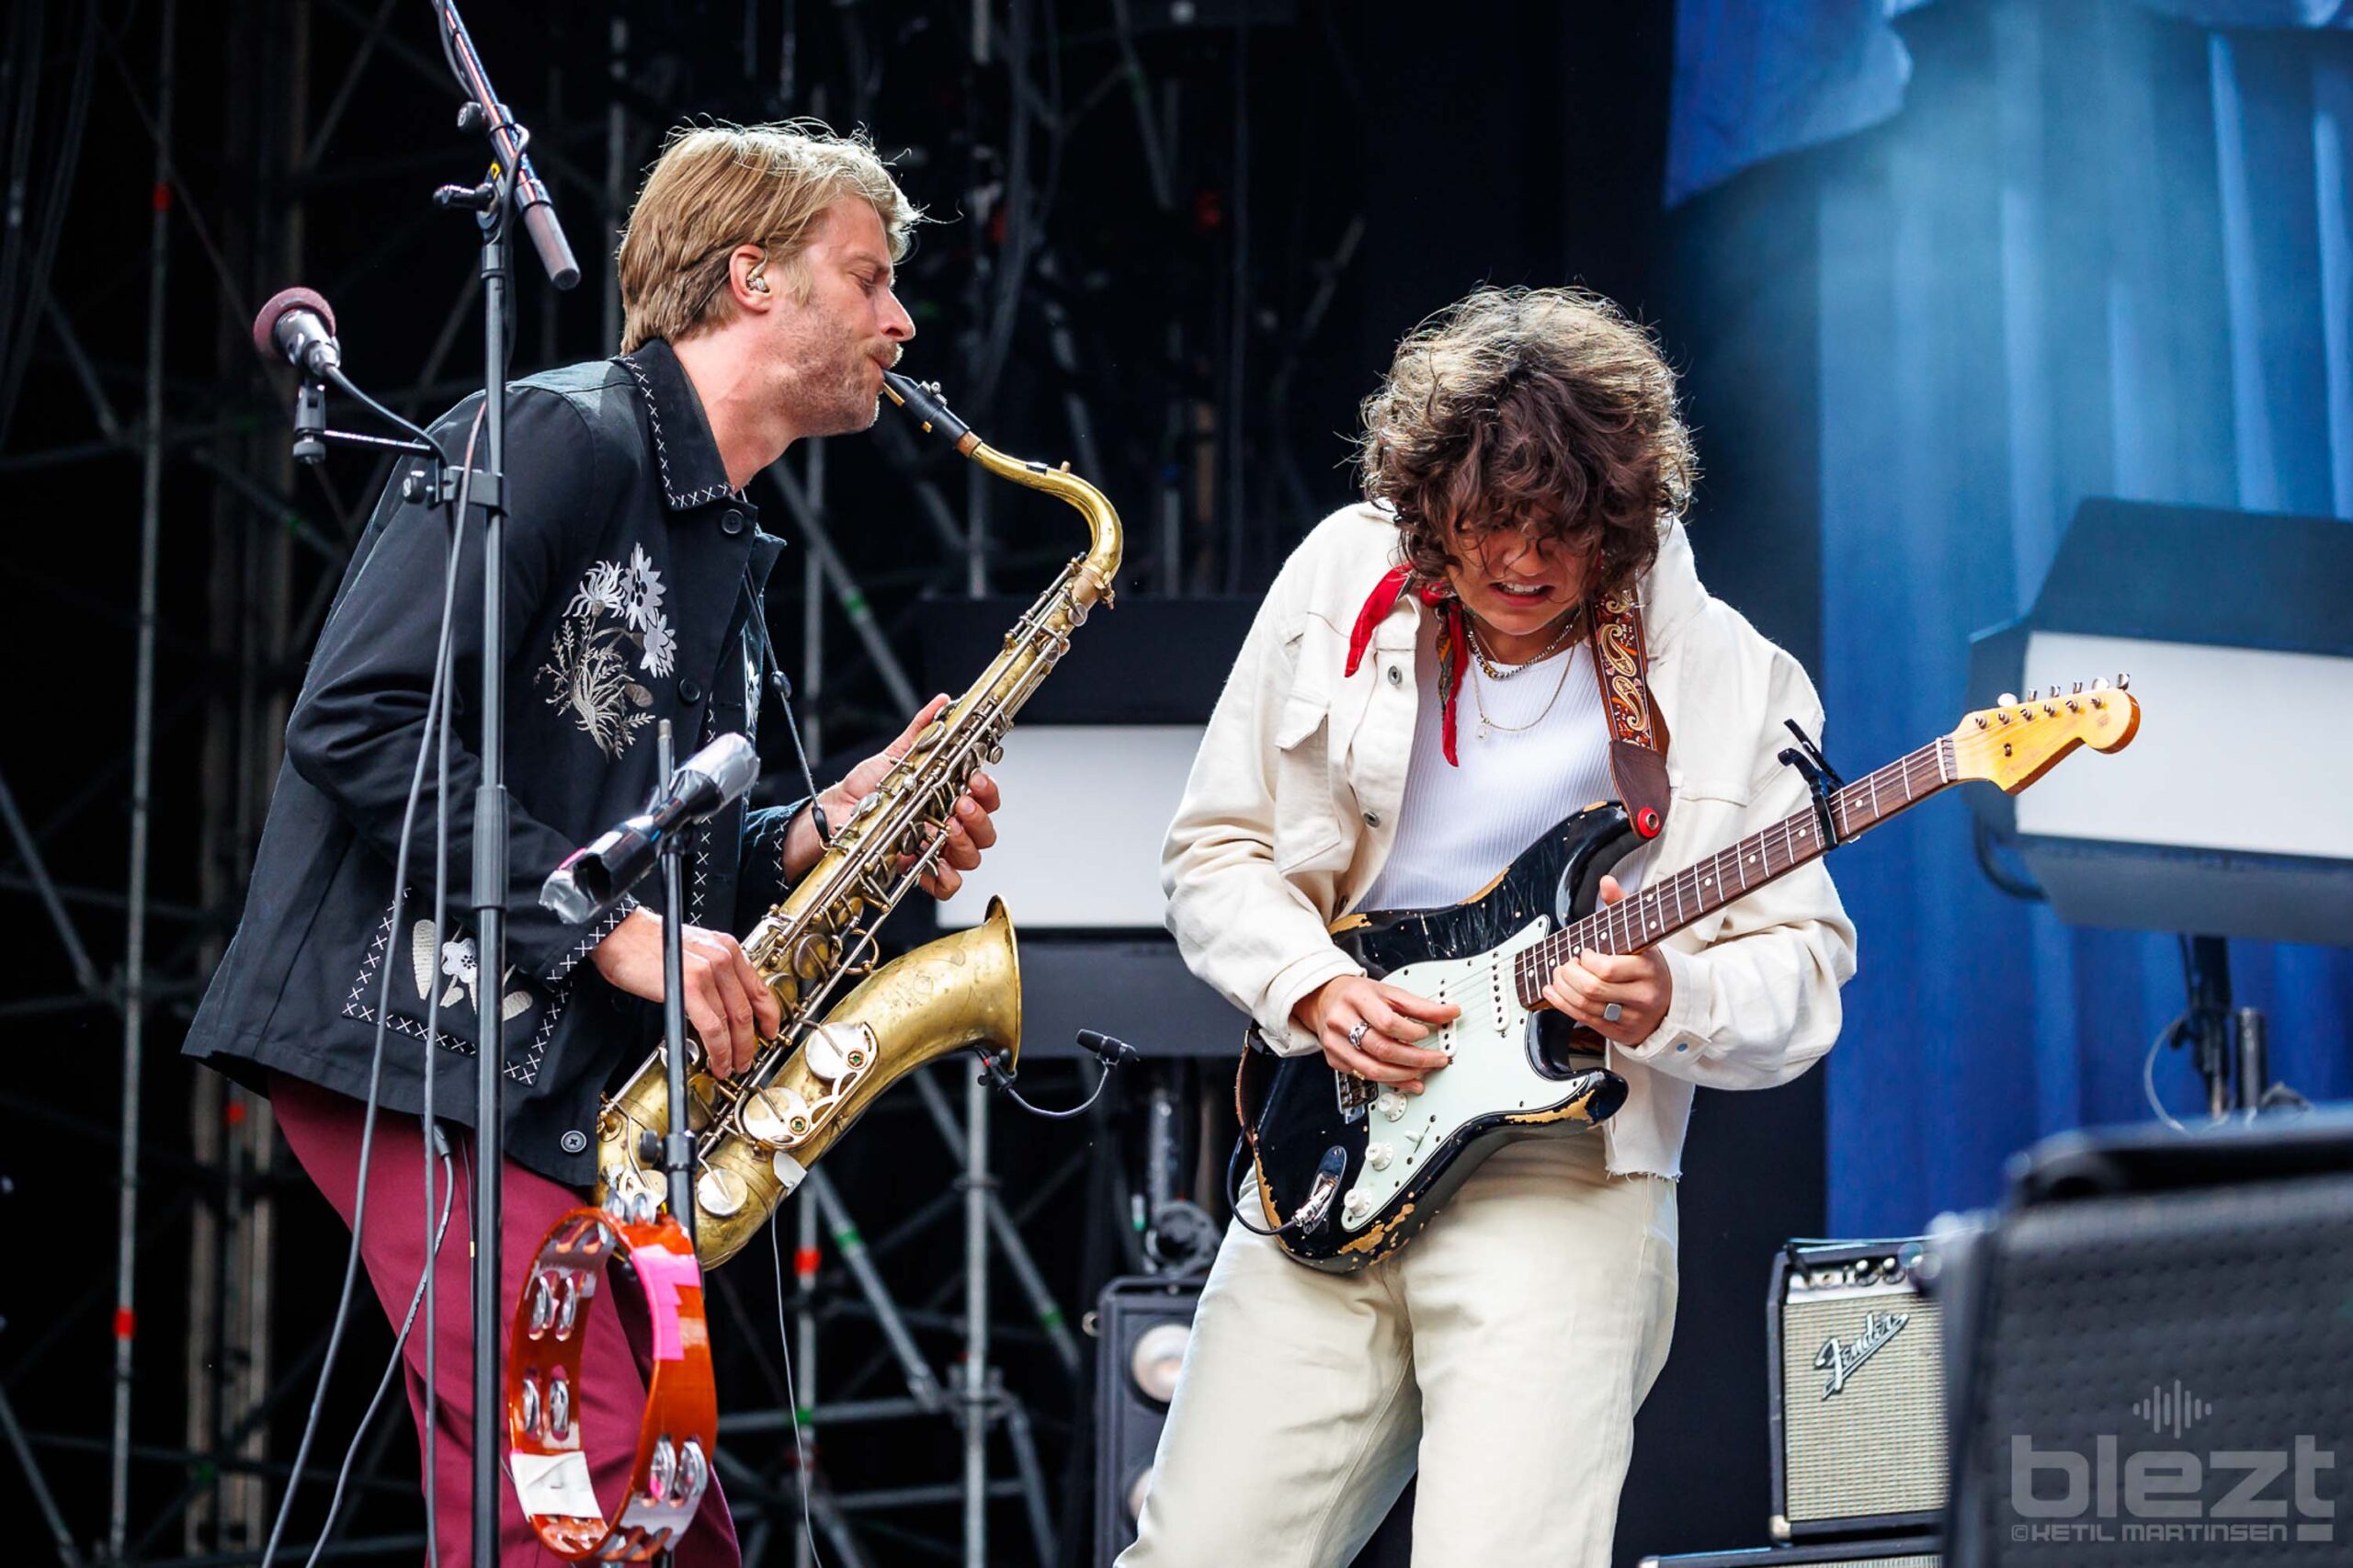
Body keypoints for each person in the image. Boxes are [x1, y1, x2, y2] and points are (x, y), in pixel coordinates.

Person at [183, 121, 995, 1566]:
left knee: (658, 1524)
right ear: (752, 278)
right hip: (416, 1050)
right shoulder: (552, 434)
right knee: (590, 1488)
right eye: (867, 278)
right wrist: (618, 935)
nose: (900, 319)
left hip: (563, 1098)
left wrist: (817, 831)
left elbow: (645, 839)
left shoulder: (723, 541)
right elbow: (362, 722)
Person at [1127, 286, 1858, 1567]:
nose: (1520, 562)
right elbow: (1215, 851)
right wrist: (1310, 986)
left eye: (1560, 531)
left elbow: (1804, 974)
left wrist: (1668, 996)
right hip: (1331, 1140)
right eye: (1483, 526)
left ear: (1621, 522)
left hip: (1564, 1179)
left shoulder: (1730, 676)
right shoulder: (1339, 573)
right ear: (1423, 510)